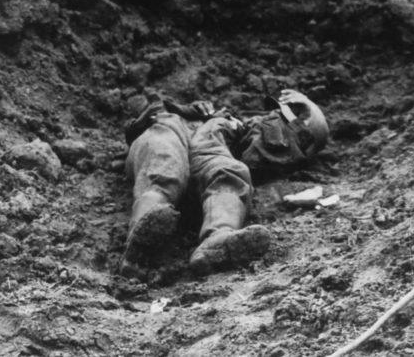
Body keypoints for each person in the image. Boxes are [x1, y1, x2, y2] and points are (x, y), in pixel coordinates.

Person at [120, 88, 329, 278]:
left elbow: (305, 138)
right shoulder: (177, 115)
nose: (267, 116)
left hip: (210, 151)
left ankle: (217, 240)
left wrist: (305, 107)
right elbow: (144, 128)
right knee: (163, 163)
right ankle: (138, 249)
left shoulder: (244, 131)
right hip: (169, 128)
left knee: (230, 173)